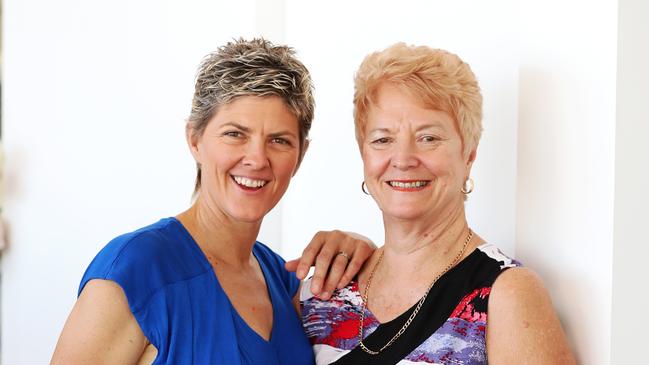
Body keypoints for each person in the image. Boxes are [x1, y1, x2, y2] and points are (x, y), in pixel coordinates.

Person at [51, 38, 375, 365]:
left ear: (300, 155)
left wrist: (362, 248)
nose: (257, 159)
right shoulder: (134, 270)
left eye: (279, 140)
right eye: (235, 134)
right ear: (195, 139)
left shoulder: (283, 281)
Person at [301, 43, 576, 364]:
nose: (403, 159)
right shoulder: (321, 293)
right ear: (364, 154)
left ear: (469, 153)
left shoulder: (505, 294)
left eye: (428, 137)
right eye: (383, 139)